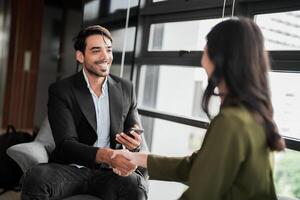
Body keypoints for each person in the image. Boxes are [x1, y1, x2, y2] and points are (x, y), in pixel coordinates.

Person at [113, 17, 285, 200]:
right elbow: (197, 165)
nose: (203, 53)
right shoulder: (255, 114)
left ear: (220, 57)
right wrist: (138, 158)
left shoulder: (230, 122)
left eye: (207, 46)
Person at [21, 25, 148, 200]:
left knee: (135, 187)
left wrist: (134, 144)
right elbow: (66, 145)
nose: (105, 57)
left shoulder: (126, 88)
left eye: (109, 50)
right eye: (96, 51)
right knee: (36, 178)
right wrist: (107, 155)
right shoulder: (61, 90)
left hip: (110, 174)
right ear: (80, 56)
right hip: (71, 170)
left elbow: (134, 131)